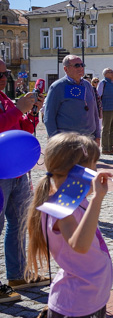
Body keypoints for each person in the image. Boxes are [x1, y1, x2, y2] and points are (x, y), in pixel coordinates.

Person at [25, 133, 113, 318]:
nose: (97, 172)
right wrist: (97, 199)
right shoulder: (60, 203)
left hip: (90, 302)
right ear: (78, 171)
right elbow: (80, 244)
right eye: (93, 167)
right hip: (76, 311)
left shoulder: (70, 194)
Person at [0, 58, 47, 304]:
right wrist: (18, 109)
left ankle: (17, 275)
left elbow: (24, 130)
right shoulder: (10, 103)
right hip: (0, 173)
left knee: (18, 223)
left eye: (5, 73)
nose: (4, 78)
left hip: (17, 171)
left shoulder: (5, 99)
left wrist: (33, 112)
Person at [44, 55, 100, 140]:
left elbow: (94, 111)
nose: (81, 68)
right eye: (77, 65)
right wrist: (54, 140)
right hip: (67, 139)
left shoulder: (87, 85)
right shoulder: (57, 87)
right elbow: (49, 116)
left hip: (89, 138)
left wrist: (97, 135)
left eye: (82, 65)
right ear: (66, 69)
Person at [96, 68, 113, 155]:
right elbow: (98, 97)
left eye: (112, 72)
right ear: (105, 74)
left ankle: (111, 147)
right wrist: (99, 109)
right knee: (106, 129)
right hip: (106, 109)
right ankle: (105, 148)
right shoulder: (103, 83)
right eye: (110, 72)